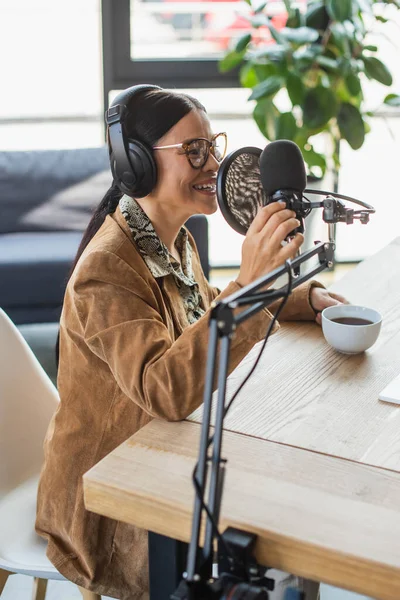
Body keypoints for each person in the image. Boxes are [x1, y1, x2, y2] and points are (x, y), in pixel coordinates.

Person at [35, 84, 346, 600]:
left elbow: (207, 311)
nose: (215, 166)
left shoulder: (171, 239)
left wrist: (304, 298)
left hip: (165, 455)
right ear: (137, 164)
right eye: (194, 152)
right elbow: (166, 390)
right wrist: (249, 283)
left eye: (214, 147)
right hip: (111, 502)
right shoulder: (106, 272)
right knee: (273, 514)